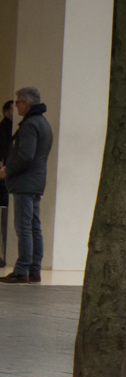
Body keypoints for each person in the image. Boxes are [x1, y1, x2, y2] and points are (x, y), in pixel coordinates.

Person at [1, 88, 54, 284]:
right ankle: (34, 269)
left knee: (23, 227)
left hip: (25, 182)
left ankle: (22, 269)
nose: (15, 106)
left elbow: (25, 155)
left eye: (17, 102)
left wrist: (8, 169)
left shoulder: (30, 125)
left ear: (26, 103)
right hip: (36, 181)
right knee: (34, 226)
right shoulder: (43, 124)